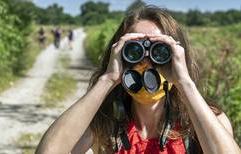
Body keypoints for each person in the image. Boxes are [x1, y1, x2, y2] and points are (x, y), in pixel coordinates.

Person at [35, 5, 241, 154]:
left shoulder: (205, 123)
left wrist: (184, 82)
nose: (146, 62)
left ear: (178, 55)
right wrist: (108, 79)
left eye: (160, 51)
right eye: (134, 49)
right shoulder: (105, 125)